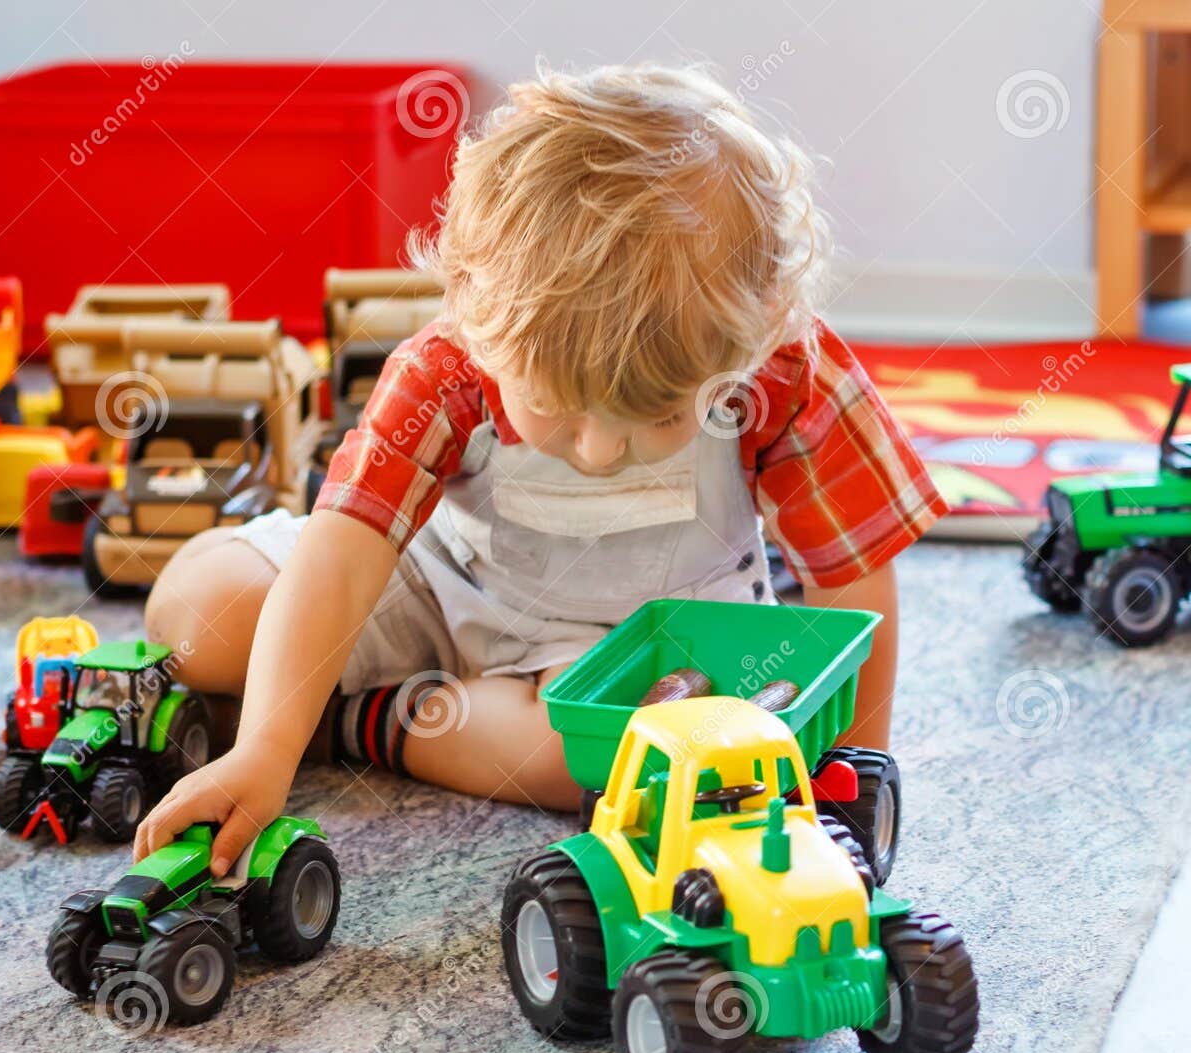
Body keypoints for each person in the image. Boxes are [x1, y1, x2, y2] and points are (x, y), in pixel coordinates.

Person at [136, 63, 946, 877]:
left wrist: (848, 783)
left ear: (760, 325)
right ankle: (333, 702)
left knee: (611, 768)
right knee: (196, 618)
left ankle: (371, 719)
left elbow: (853, 590)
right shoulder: (447, 367)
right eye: (557, 407)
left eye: (659, 418)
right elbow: (345, 556)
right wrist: (266, 748)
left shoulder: (787, 369)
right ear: (476, 305)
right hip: (440, 581)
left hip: (629, 643)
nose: (597, 451)